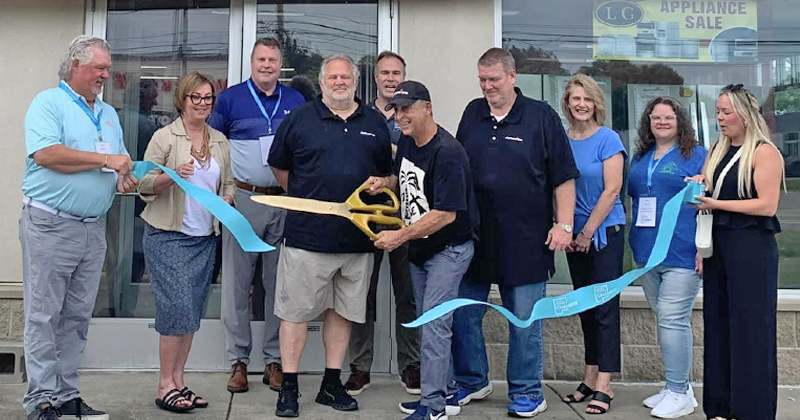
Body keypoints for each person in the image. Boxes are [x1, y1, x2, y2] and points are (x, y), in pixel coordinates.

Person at [452, 48, 579, 418]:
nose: (487, 86)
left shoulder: (541, 117)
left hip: (526, 240)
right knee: (463, 315)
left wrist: (564, 224)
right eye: (482, 80)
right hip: (474, 238)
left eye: (494, 79)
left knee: (524, 322)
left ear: (512, 76)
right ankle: (472, 381)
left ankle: (527, 392)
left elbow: (564, 177)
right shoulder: (473, 114)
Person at [267, 54, 393, 418]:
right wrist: (308, 199)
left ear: (356, 82)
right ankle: (289, 386)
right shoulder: (300, 119)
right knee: (295, 313)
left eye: (346, 77)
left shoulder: (374, 123)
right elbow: (279, 166)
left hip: (356, 240)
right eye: (332, 77)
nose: (339, 82)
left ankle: (331, 383)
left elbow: (386, 173)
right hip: (308, 237)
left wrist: (382, 183)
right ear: (321, 83)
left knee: (344, 312)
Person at [20, 35, 137, 420]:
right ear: (75, 67)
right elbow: (47, 154)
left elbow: (113, 165)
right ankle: (40, 402)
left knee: (76, 318)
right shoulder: (48, 103)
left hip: (92, 229)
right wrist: (107, 159)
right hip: (50, 224)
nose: (106, 74)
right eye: (99, 68)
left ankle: (67, 395)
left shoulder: (107, 113)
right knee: (44, 315)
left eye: (107, 68)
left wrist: (120, 177)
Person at [365, 80, 479, 420]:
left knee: (434, 325)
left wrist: (399, 237)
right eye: (396, 110)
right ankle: (441, 395)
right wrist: (384, 183)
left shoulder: (448, 153)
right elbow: (409, 178)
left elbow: (446, 213)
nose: (400, 116)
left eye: (406, 109)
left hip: (449, 248)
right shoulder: (409, 141)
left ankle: (433, 407)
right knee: (427, 322)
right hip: (421, 250)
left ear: (427, 107)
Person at [207, 37, 306, 393]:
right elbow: (213, 145)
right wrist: (220, 195)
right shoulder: (231, 99)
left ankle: (274, 360)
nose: (267, 65)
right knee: (237, 283)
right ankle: (238, 360)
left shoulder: (296, 101)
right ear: (252, 62)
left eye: (273, 60)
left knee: (280, 285)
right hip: (243, 201)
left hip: (284, 201)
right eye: (262, 59)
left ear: (281, 64)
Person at [137, 71, 235, 413]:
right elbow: (143, 184)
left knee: (191, 313)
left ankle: (179, 382)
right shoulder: (165, 137)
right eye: (196, 97)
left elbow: (229, 183)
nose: (203, 104)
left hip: (203, 239)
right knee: (176, 309)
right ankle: (165, 384)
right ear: (183, 99)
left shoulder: (219, 140)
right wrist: (171, 176)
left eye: (208, 98)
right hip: (168, 236)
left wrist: (227, 200)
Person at [689, 84, 783, 420]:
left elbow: (766, 205)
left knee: (750, 329)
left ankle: (752, 410)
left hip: (751, 249)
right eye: (717, 112)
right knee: (718, 325)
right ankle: (720, 406)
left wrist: (716, 202)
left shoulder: (764, 152)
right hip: (718, 247)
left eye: (726, 112)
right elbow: (714, 187)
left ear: (744, 114)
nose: (720, 118)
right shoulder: (716, 149)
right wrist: (700, 183)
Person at [345, 50, 421, 397]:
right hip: (367, 218)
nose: (390, 78)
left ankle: (411, 365)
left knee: (408, 295)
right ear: (374, 78)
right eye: (385, 73)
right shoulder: (361, 115)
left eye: (397, 73)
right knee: (362, 294)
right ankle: (360, 368)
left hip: (407, 219)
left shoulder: (413, 114)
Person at [628, 97, 705, 418]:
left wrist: (704, 248)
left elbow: (711, 200)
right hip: (647, 252)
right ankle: (678, 385)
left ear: (680, 121)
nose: (661, 122)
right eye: (655, 117)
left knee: (673, 320)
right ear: (648, 122)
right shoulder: (641, 156)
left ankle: (678, 393)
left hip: (683, 251)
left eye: (668, 117)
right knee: (665, 321)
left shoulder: (698, 155)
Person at [559, 73, 625, 415]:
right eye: (575, 99)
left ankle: (605, 385)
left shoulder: (608, 139)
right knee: (585, 307)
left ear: (596, 103)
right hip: (574, 237)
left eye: (587, 99)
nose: (581, 104)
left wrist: (586, 232)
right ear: (567, 104)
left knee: (604, 309)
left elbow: (612, 190)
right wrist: (567, 230)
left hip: (603, 234)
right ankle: (588, 377)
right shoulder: (562, 139)